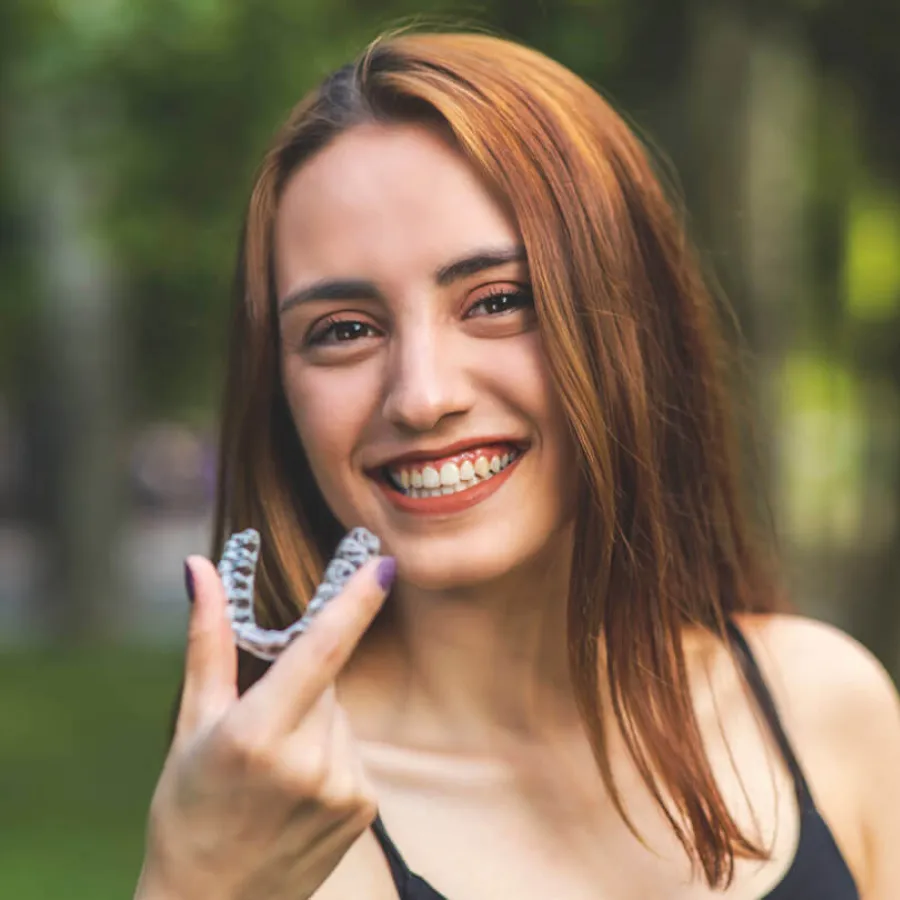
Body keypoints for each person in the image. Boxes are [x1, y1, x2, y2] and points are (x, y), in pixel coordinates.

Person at [134, 30, 900, 900]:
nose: (421, 397)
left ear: (634, 324)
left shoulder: (824, 704)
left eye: (499, 302)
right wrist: (193, 884)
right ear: (279, 393)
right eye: (344, 329)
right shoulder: (285, 828)